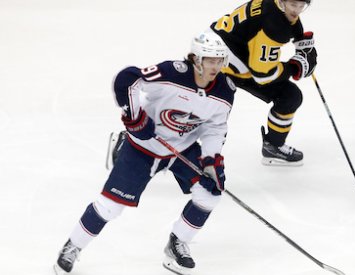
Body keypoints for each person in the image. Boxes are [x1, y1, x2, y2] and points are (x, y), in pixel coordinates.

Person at [53, 31, 235, 275]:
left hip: (182, 149)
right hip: (144, 147)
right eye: (210, 60)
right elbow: (127, 79)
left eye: (219, 60)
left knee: (210, 195)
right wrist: (135, 116)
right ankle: (72, 246)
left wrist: (211, 160)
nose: (216, 66)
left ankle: (177, 243)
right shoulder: (172, 73)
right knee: (110, 207)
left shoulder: (225, 89)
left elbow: (216, 127)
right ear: (195, 58)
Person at [209, 0, 317, 166]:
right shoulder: (273, 25)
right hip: (222, 65)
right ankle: (195, 153)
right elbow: (263, 75)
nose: (296, 10)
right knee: (290, 96)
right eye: (293, 4)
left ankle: (272, 146)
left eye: (301, 5)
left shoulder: (272, 5)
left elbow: (291, 22)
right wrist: (295, 67)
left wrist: (301, 40)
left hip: (214, 47)